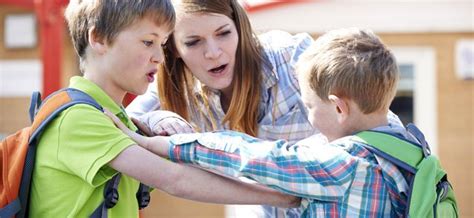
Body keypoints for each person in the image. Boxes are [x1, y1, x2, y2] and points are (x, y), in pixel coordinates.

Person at [28, 1, 300, 217]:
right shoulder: (80, 116)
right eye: (148, 42)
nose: (159, 57)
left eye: (161, 44)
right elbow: (177, 179)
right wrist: (286, 195)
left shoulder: (119, 118)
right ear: (98, 38)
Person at [110, 28, 415, 217]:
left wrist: (163, 143)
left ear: (338, 108)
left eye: (309, 106)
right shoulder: (408, 150)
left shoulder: (337, 165)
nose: (307, 115)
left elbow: (246, 153)